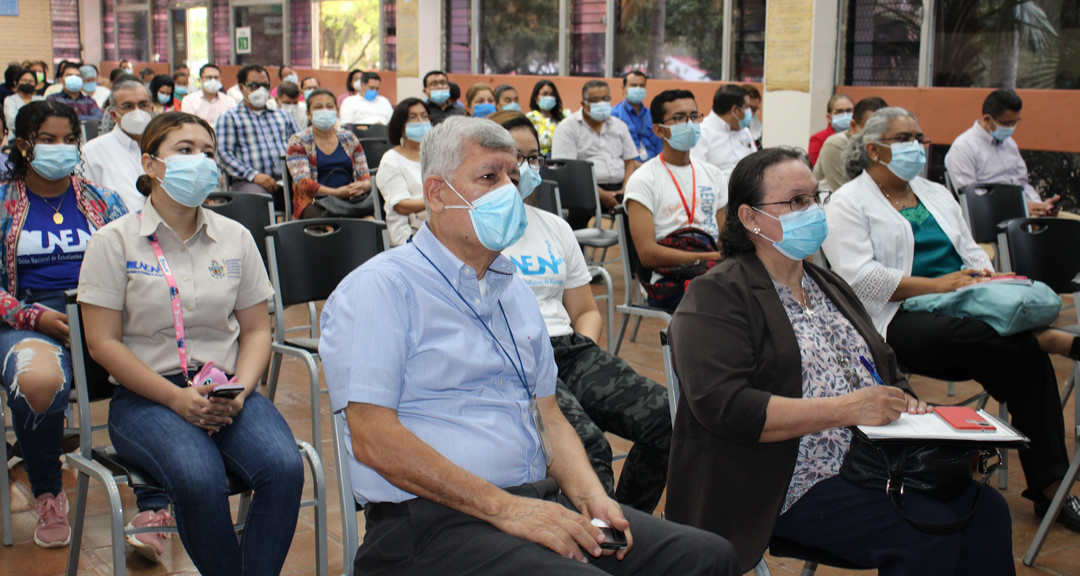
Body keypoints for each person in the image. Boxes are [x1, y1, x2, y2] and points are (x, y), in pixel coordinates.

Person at [319, 115, 738, 576]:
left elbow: (548, 415)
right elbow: (375, 440)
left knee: (707, 558)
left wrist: (590, 496)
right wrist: (506, 509)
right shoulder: (382, 288)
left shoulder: (511, 288)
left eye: (512, 178)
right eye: (488, 177)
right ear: (437, 193)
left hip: (532, 500)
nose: (507, 191)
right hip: (431, 522)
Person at [667, 146, 1016, 575]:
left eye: (816, 197)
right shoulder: (718, 295)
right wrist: (844, 410)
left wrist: (907, 404)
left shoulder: (826, 282)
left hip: (870, 459)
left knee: (988, 510)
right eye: (796, 201)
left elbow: (885, 364)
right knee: (928, 531)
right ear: (750, 217)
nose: (812, 210)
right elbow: (725, 406)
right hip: (781, 480)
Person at [823, 107, 1080, 532]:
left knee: (1023, 362)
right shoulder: (847, 202)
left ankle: (1050, 488)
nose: (918, 146)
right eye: (905, 138)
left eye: (919, 136)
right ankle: (1045, 341)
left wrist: (981, 274)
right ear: (874, 149)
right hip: (898, 319)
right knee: (1006, 345)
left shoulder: (935, 193)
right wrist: (937, 286)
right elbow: (862, 281)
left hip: (968, 310)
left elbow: (971, 251)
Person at [78, 111, 305, 575]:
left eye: (207, 151)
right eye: (185, 150)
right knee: (199, 479)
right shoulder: (113, 242)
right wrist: (177, 399)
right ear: (150, 164)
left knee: (284, 468)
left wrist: (240, 390)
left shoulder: (235, 237)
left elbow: (258, 328)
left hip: (225, 389)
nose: (200, 161)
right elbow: (102, 344)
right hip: (147, 397)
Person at [493, 110, 672, 514]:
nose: (523, 169)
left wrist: (584, 355)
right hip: (514, 358)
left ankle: (626, 523)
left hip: (569, 349)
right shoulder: (472, 231)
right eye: (511, 158)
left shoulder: (553, 227)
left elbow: (585, 310)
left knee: (666, 416)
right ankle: (593, 548)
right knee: (589, 446)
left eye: (532, 157)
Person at [0, 100, 129, 549]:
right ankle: (48, 491)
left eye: (69, 140)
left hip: (102, 313)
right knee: (38, 382)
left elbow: (136, 262)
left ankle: (155, 496)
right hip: (29, 319)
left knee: (164, 359)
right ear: (23, 146)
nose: (61, 148)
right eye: (48, 140)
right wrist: (32, 315)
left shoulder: (102, 200)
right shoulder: (2, 201)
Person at [624, 89, 727, 311]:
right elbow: (648, 254)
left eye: (694, 116)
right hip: (667, 278)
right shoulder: (643, 180)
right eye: (679, 118)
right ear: (659, 130)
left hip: (712, 268)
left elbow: (725, 236)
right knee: (721, 306)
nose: (690, 124)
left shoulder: (713, 175)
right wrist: (710, 258)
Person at [945, 89, 1060, 218]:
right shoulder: (963, 148)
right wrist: (1020, 208)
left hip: (1024, 214)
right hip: (995, 220)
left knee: (1073, 224)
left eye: (1015, 122)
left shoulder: (1009, 144)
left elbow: (1022, 183)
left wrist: (1042, 207)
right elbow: (973, 200)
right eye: (1007, 123)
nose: (1011, 127)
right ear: (987, 119)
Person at [551, 80, 639, 228]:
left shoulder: (619, 126)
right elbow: (568, 171)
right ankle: (575, 249)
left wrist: (626, 188)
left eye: (605, 99)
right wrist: (602, 195)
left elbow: (629, 161)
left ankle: (631, 250)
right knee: (577, 215)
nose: (601, 103)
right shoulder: (567, 128)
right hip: (583, 190)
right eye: (595, 100)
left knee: (641, 208)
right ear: (584, 104)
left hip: (620, 188)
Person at [216, 64, 298, 212]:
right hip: (250, 181)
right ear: (242, 88)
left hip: (287, 180)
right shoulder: (229, 118)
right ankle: (262, 236)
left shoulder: (282, 115)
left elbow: (301, 146)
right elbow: (223, 155)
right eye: (253, 85)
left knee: (314, 191)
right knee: (258, 200)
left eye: (265, 85)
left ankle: (307, 234)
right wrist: (254, 176)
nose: (260, 90)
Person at [285, 89, 372, 219]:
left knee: (371, 223)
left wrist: (363, 185)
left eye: (329, 106)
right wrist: (336, 193)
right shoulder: (298, 141)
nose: (325, 110)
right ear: (309, 113)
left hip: (351, 200)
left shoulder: (349, 138)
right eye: (319, 107)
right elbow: (303, 183)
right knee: (332, 230)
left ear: (336, 111)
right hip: (314, 201)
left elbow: (364, 175)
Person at [81, 77, 153, 211]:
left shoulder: (164, 146)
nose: (137, 111)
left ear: (152, 109)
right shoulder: (94, 151)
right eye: (128, 106)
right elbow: (88, 203)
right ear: (113, 114)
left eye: (143, 105)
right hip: (117, 229)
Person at [377, 98, 428, 246]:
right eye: (412, 117)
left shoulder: (436, 155)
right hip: (407, 227)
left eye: (424, 116)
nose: (420, 121)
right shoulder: (391, 160)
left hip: (438, 220)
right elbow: (401, 205)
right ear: (401, 126)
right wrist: (439, 202)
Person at [814, 96, 887, 192]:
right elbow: (847, 193)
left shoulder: (884, 146)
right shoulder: (835, 144)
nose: (877, 133)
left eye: (884, 128)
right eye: (871, 127)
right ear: (853, 125)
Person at [690, 84, 757, 178]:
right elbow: (697, 174)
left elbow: (756, 165)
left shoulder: (744, 131)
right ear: (735, 110)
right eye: (747, 107)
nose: (750, 112)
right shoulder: (701, 134)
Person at [611, 70, 663, 163]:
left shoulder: (653, 115)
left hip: (654, 167)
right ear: (624, 88)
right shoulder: (614, 115)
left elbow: (660, 148)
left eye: (642, 86)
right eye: (633, 85)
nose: (638, 89)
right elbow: (615, 152)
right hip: (627, 168)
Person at [808, 93, 854, 166]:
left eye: (849, 111)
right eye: (839, 112)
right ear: (829, 117)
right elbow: (818, 167)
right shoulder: (818, 139)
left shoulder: (861, 136)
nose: (845, 115)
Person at [526, 79, 568, 157]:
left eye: (552, 94)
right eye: (544, 94)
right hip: (542, 158)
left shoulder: (564, 116)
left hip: (563, 155)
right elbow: (540, 142)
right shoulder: (531, 117)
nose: (549, 97)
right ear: (536, 98)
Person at [5, 68, 44, 145]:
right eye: (24, 80)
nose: (27, 83)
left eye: (30, 81)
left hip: (38, 137)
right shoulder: (10, 100)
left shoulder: (40, 99)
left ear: (36, 84)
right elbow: (12, 120)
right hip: (15, 137)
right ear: (17, 83)